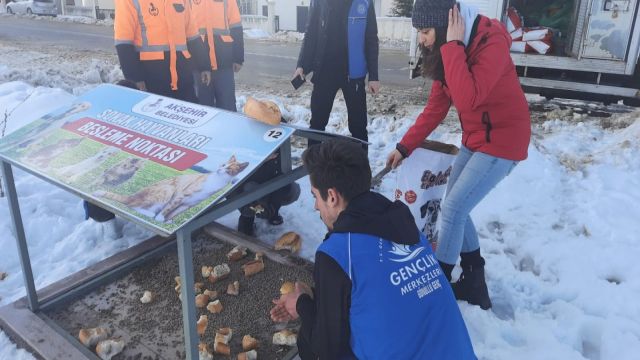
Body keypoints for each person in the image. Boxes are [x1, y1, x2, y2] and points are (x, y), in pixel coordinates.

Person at [270, 140, 476, 359]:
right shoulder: (404, 225)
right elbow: (373, 286)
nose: (315, 206)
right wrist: (318, 295)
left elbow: (328, 350)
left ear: (332, 196)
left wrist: (302, 303)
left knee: (309, 344)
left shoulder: (338, 253)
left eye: (315, 196)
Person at [386, 0, 531, 310]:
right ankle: (475, 284)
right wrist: (404, 146)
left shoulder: (489, 42)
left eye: (425, 32)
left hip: (504, 140)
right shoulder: (447, 52)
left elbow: (468, 100)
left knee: (452, 209)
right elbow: (436, 108)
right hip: (476, 138)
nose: (421, 39)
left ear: (446, 26)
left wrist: (452, 46)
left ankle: (437, 289)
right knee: (457, 207)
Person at [294, 0, 380, 146]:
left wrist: (374, 76)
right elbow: (311, 33)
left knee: (358, 127)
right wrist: (301, 65)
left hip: (354, 74)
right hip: (324, 71)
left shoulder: (365, 2)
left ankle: (359, 168)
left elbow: (371, 38)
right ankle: (314, 167)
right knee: (317, 125)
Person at [114, 0, 211, 102]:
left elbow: (192, 36)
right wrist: (135, 79)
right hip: (150, 80)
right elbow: (123, 43)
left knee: (190, 114)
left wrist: (204, 65)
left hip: (183, 77)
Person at [235, 98, 301, 236]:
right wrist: (259, 159)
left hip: (269, 183)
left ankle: (272, 212)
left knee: (292, 190)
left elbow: (282, 176)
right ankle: (246, 218)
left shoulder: (279, 136)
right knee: (250, 189)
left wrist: (272, 207)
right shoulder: (242, 138)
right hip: (246, 186)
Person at [191, 0, 244, 111]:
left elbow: (236, 25)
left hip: (223, 61)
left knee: (227, 106)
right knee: (203, 108)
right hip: (199, 63)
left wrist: (238, 57)